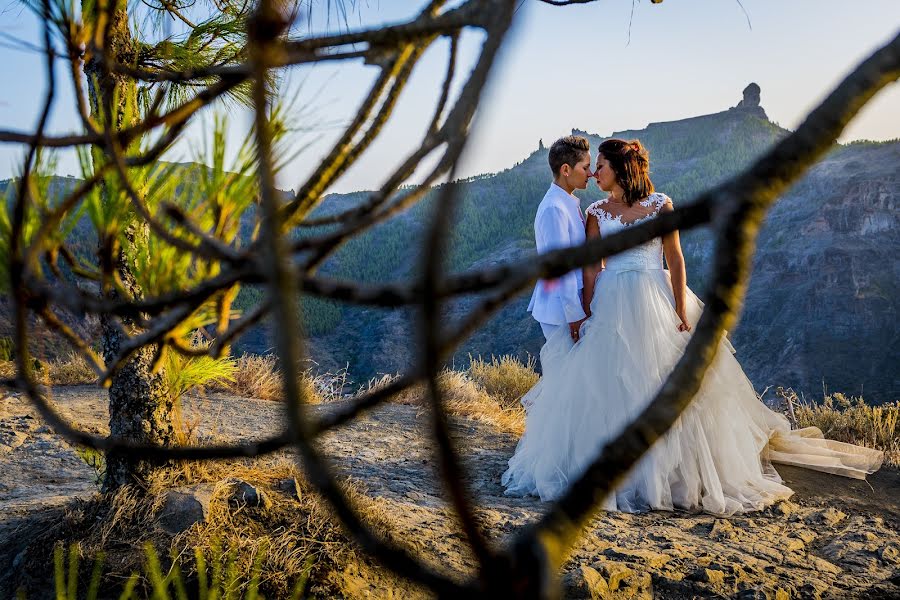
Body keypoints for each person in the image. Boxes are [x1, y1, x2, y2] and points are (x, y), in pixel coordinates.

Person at [502, 138, 883, 515]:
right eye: (592, 165)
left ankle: (674, 473)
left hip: (656, 296)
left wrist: (681, 308)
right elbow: (590, 268)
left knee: (664, 378)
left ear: (620, 169)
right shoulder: (596, 212)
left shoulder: (661, 205)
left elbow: (676, 259)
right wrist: (585, 311)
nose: (596, 171)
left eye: (600, 165)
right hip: (612, 302)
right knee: (613, 384)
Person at [527, 135, 593, 343]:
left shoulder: (566, 202)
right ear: (566, 170)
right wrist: (575, 315)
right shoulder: (554, 208)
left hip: (570, 306)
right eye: (585, 167)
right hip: (561, 313)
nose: (590, 174)